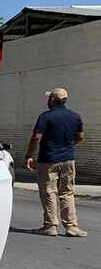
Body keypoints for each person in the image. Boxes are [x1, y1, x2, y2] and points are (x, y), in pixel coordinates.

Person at [25, 88, 87, 237]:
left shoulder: (46, 117)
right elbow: (80, 137)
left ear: (52, 100)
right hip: (68, 160)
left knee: (49, 192)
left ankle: (50, 226)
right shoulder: (75, 116)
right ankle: (71, 226)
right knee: (67, 192)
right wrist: (67, 146)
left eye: (49, 98)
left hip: (49, 160)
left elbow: (36, 138)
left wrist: (29, 155)